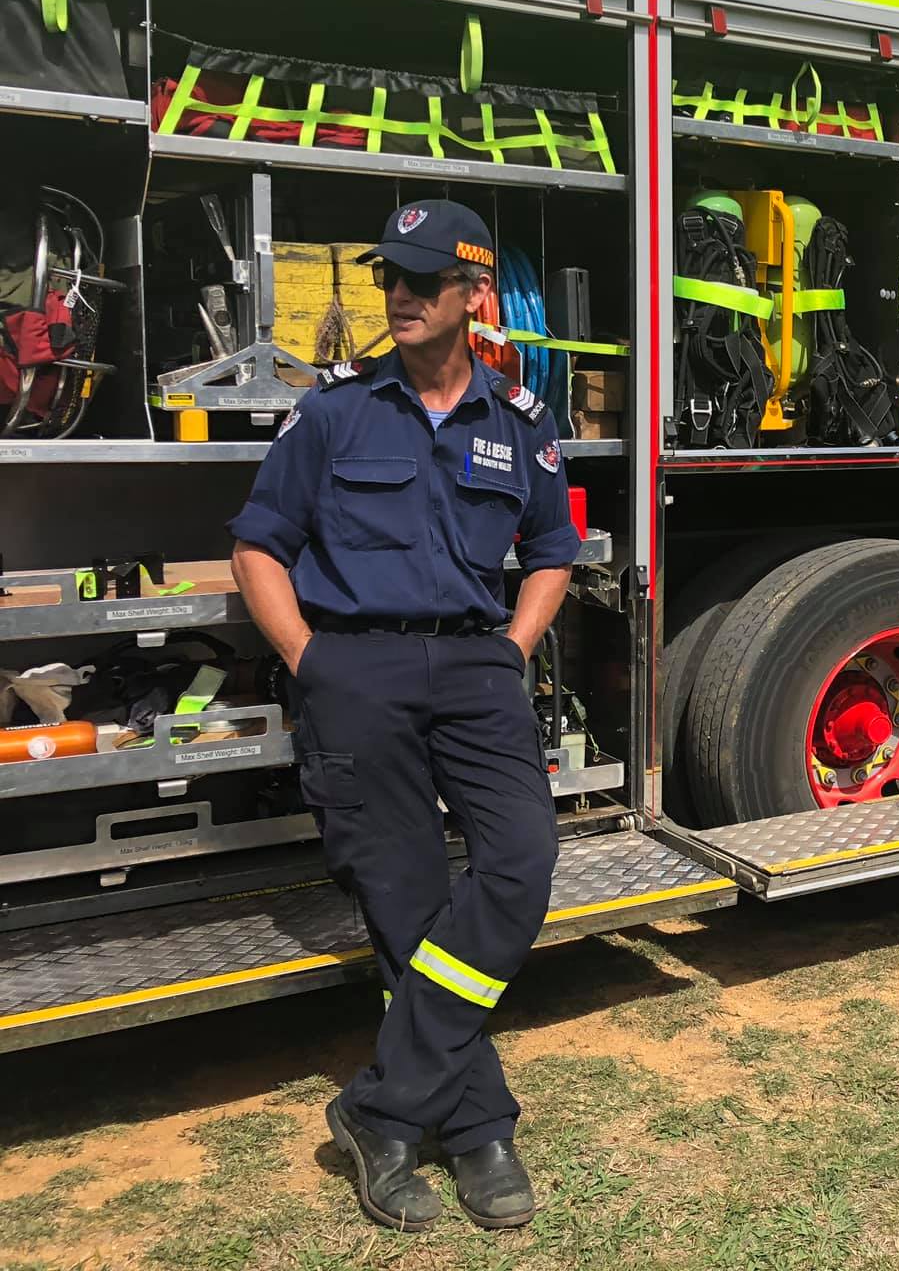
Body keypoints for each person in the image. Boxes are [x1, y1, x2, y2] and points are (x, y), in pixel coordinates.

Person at [229, 200, 580, 1232]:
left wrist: (512, 649)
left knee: (520, 863)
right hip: (357, 670)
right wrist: (308, 660)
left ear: (476, 295)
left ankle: (380, 1110)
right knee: (409, 908)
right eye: (390, 278)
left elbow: (553, 549)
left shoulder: (518, 421)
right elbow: (259, 543)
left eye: (423, 281)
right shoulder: (334, 412)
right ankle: (478, 1132)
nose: (400, 296)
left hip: (476, 666)